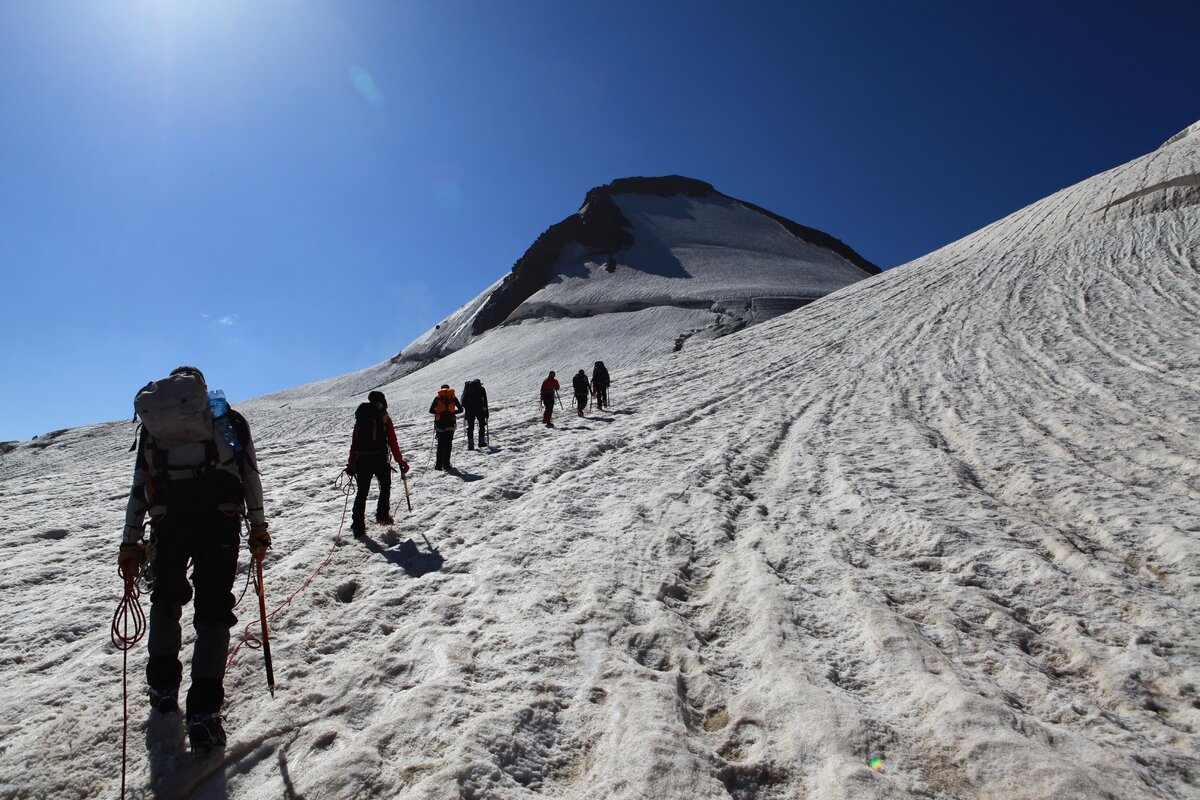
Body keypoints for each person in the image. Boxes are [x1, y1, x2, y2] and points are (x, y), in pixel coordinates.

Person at [118, 366, 269, 752]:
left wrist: (130, 542)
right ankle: (204, 712)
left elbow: (141, 486)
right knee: (213, 610)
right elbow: (249, 473)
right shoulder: (227, 420)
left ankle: (163, 688)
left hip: (168, 521)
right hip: (219, 520)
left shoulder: (155, 428)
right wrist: (257, 525)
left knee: (166, 599)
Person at [346, 391, 409, 535]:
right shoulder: (385, 418)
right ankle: (382, 517)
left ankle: (358, 526)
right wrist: (400, 460)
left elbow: (354, 443)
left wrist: (351, 464)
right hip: (380, 459)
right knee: (385, 487)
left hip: (362, 460)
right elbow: (393, 442)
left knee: (362, 493)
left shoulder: (361, 417)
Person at [430, 384, 464, 470]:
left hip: (439, 425)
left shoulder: (438, 398)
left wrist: (438, 412)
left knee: (440, 445)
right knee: (448, 445)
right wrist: (452, 413)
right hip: (450, 424)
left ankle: (438, 465)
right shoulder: (452, 397)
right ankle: (446, 465)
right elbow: (461, 409)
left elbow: (431, 410)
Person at [460, 379, 489, 449]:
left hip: (469, 410)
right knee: (482, 425)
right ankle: (481, 442)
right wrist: (486, 412)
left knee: (470, 427)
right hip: (479, 409)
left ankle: (470, 445)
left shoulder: (467, 389)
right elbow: (485, 400)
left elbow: (463, 401)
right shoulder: (481, 389)